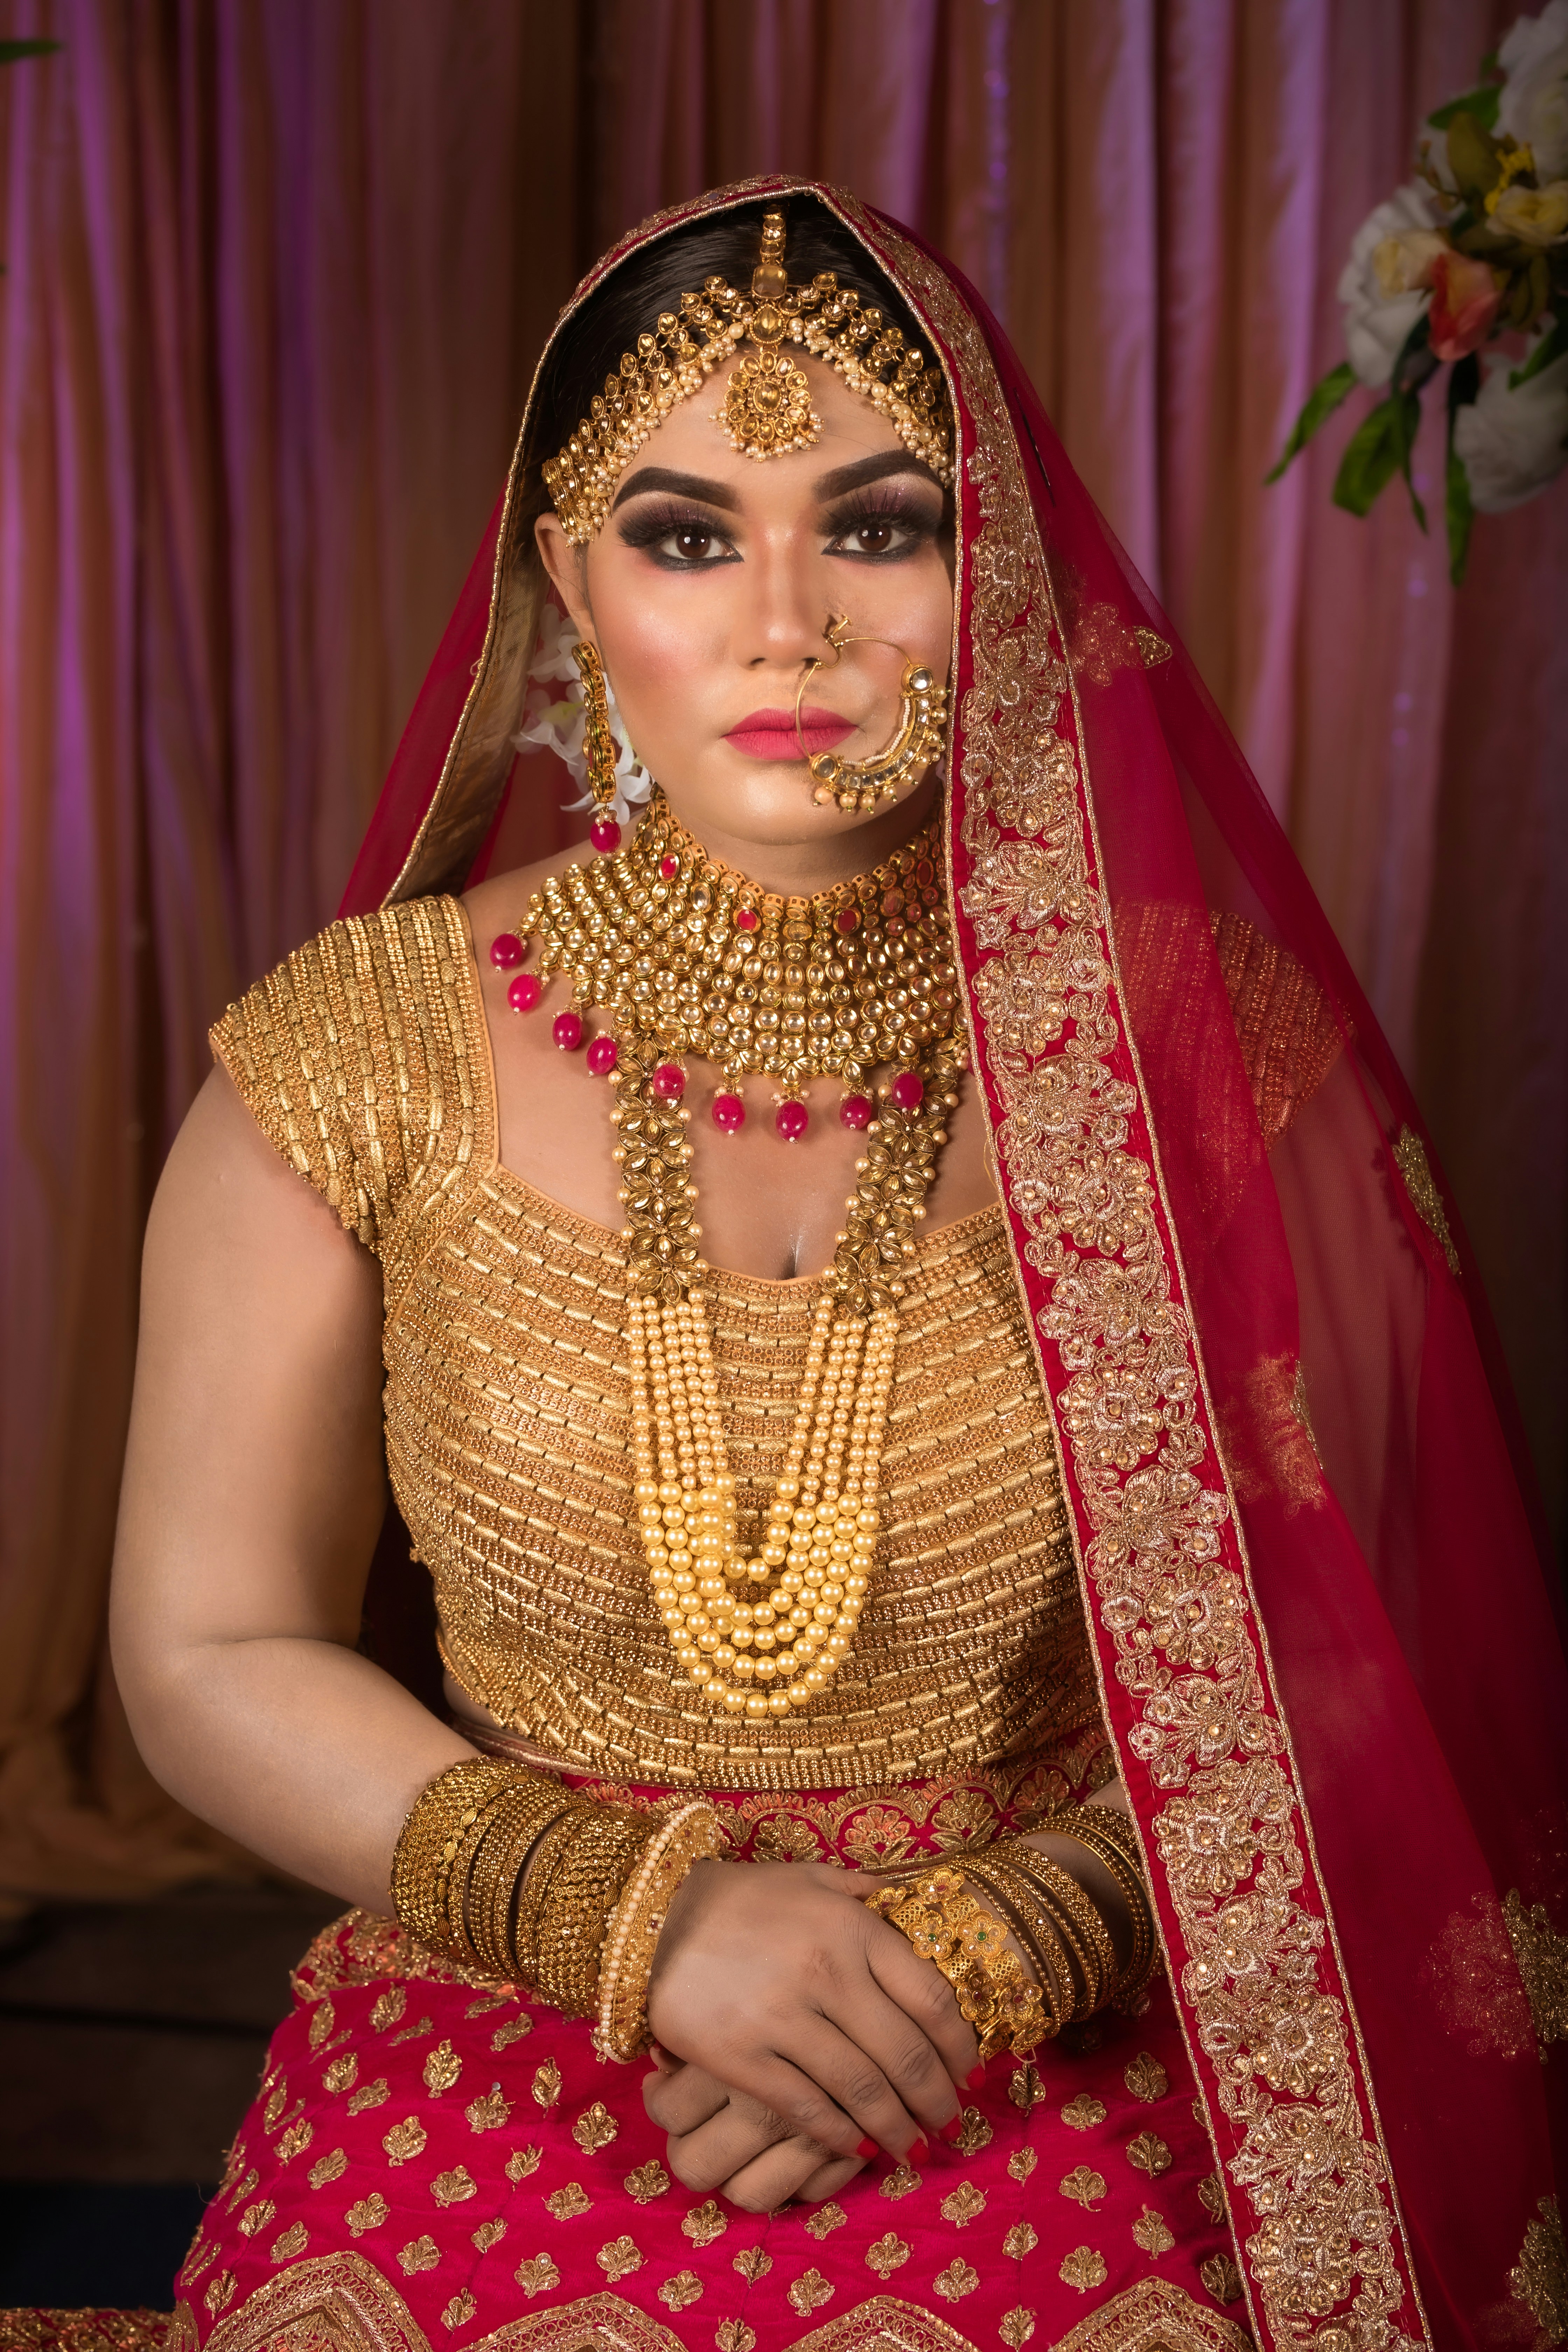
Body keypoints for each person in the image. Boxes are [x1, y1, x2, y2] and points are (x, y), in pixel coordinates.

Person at [109, 181, 1567, 2352]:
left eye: (878, 525)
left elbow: (1372, 1648)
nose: (785, 625)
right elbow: (209, 1646)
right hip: (516, 2001)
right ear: (564, 600)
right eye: (685, 536)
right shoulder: (355, 1055)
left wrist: (987, 1956)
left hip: (1086, 2007)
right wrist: (661, 1924)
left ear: (1009, 583)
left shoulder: (1211, 1064)